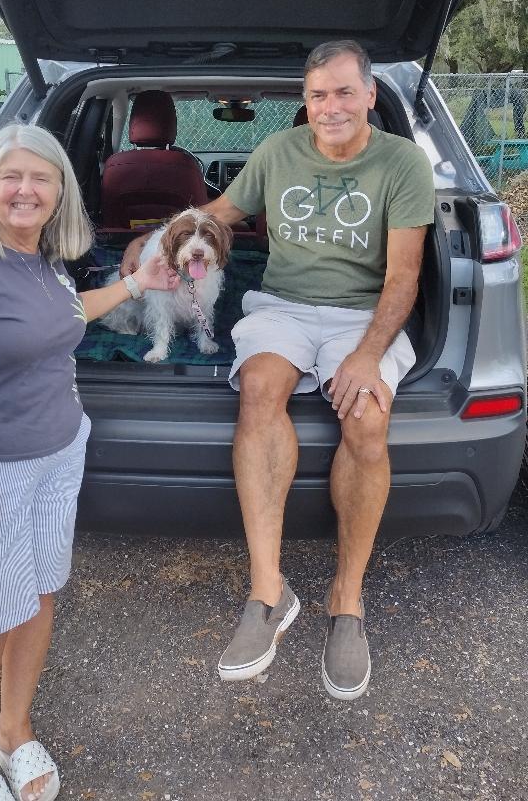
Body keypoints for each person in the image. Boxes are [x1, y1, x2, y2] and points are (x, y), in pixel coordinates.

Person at [122, 39, 434, 700]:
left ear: (371, 95)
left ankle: (345, 603)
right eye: (319, 95)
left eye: (345, 92)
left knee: (368, 420)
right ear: (306, 101)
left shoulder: (403, 162)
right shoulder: (276, 153)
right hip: (282, 306)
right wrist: (148, 242)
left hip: (362, 315)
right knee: (259, 392)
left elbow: (405, 276)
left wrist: (368, 352)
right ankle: (269, 593)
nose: (332, 107)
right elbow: (217, 215)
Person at [0, 124, 179, 801]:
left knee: (34, 601)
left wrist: (137, 285)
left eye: (41, 178)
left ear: (61, 189)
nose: (25, 191)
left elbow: (66, 317)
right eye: (12, 177)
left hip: (59, 455)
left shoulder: (43, 258)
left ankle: (15, 731)